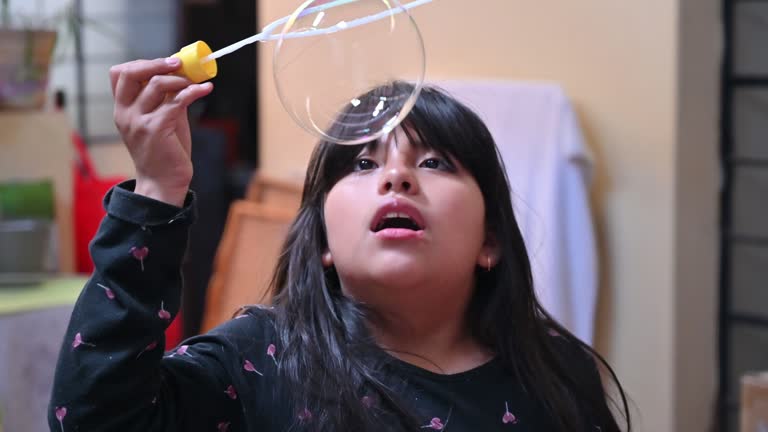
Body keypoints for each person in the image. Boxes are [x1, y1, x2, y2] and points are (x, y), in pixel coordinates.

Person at [48, 57, 631, 432]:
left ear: (492, 242)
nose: (396, 177)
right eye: (360, 163)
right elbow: (94, 420)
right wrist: (155, 189)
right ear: (323, 241)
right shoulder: (259, 362)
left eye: (433, 161)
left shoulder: (557, 373)